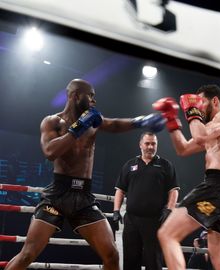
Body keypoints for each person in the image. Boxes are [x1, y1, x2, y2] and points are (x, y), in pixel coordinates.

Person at [4, 78, 166, 270]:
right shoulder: (53, 121)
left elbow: (114, 124)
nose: (93, 101)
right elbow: (49, 152)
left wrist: (140, 121)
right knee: (27, 254)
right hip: (57, 197)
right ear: (75, 96)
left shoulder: (93, 121)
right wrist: (78, 128)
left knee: (112, 255)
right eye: (90, 96)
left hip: (84, 200)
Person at [153, 84, 220, 270]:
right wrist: (172, 121)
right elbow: (183, 149)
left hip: (218, 187)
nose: (198, 109)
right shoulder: (213, 129)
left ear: (215, 101)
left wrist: (191, 111)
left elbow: (201, 136)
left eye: (201, 103)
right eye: (196, 106)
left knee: (167, 234)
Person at [113, 131, 180, 270]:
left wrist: (169, 209)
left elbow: (173, 190)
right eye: (147, 143)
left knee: (154, 261)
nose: (150, 147)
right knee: (130, 261)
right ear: (140, 145)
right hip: (131, 221)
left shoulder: (165, 165)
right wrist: (115, 211)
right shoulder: (129, 165)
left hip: (155, 221)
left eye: (153, 143)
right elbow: (120, 189)